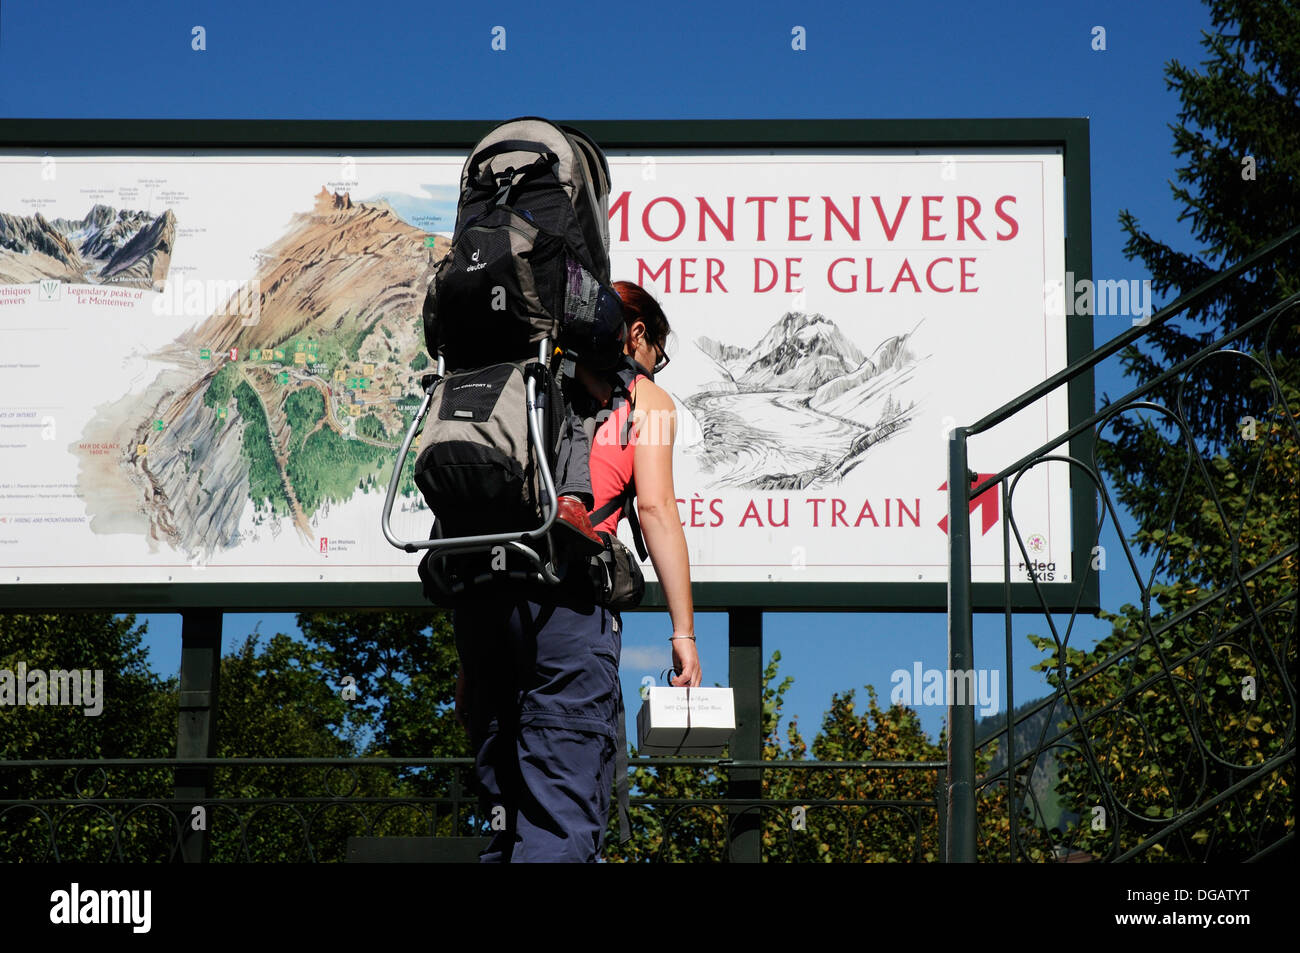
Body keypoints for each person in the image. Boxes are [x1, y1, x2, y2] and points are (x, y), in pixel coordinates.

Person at [451, 280, 699, 862]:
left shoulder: (516, 380)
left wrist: (470, 659)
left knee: (504, 824)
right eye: (655, 356)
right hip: (567, 609)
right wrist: (683, 632)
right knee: (561, 817)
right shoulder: (648, 403)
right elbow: (658, 510)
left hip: (483, 608)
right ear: (635, 333)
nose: (654, 370)